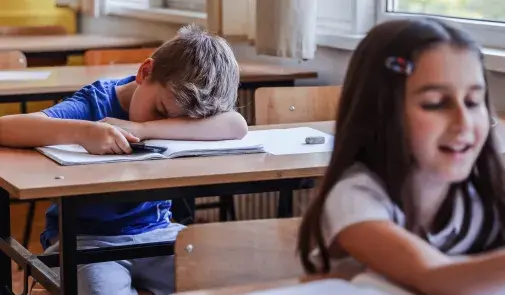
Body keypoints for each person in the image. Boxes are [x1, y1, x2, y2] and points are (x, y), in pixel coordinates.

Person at [0, 24, 247, 295]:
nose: (164, 122)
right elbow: (4, 128)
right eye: (161, 110)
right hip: (86, 240)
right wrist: (83, 131)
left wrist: (144, 129)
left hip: (157, 233)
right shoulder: (95, 104)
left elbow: (236, 125)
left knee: (230, 279)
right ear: (145, 72)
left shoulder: (170, 113)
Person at [297, 17, 505, 295]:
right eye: (435, 104)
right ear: (381, 112)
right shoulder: (354, 195)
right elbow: (433, 276)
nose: (463, 123)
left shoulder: (488, 188)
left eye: (473, 102)